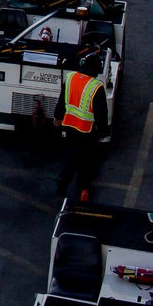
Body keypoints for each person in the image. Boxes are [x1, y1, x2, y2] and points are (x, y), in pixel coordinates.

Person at [56, 61, 110, 201]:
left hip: (69, 126)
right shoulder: (96, 87)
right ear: (96, 71)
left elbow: (62, 100)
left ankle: (62, 182)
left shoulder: (70, 77)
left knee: (71, 155)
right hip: (87, 131)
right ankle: (83, 188)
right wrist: (102, 133)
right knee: (87, 161)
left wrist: (57, 116)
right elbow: (101, 113)